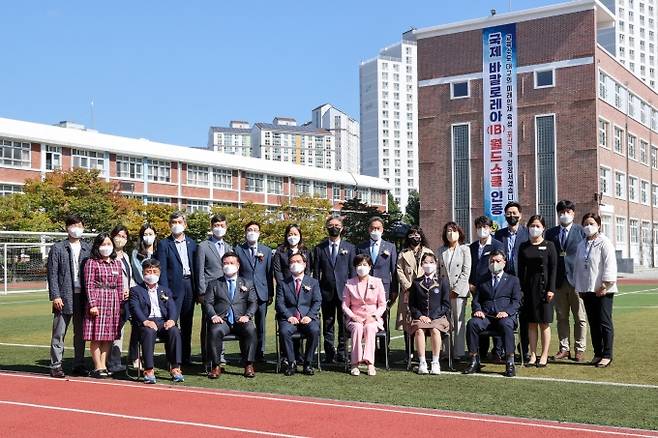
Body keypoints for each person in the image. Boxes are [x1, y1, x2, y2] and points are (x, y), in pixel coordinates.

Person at [463, 250, 521, 378]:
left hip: (505, 316)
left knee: (506, 324)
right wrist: (477, 310)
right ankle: (473, 360)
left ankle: (510, 362)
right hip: (487, 317)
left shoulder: (513, 280)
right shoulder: (483, 280)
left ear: (504, 263)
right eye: (492, 261)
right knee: (472, 323)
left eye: (498, 261)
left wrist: (506, 312)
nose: (494, 264)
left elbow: (517, 301)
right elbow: (476, 300)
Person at [47, 214, 92, 378]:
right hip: (64, 295)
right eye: (72, 225)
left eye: (79, 225)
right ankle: (56, 365)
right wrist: (55, 296)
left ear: (83, 226)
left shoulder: (88, 248)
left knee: (80, 334)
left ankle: (79, 364)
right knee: (59, 332)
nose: (76, 228)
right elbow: (52, 274)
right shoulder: (58, 248)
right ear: (67, 228)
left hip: (83, 297)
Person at [129, 258, 184, 384]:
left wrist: (172, 320)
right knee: (148, 333)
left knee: (174, 331)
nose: (151, 274)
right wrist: (145, 321)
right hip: (146, 322)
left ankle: (175, 367)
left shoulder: (165, 290)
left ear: (159, 273)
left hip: (162, 321)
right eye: (148, 271)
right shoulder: (136, 290)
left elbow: (172, 307)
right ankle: (149, 370)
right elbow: (135, 308)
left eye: (154, 271)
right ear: (143, 273)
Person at [545, 200, 587, 361]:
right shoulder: (551, 233)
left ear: (573, 214)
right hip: (558, 282)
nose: (564, 215)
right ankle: (564, 348)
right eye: (561, 212)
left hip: (577, 281)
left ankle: (579, 349)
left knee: (580, 317)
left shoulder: (581, 231)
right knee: (562, 317)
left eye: (567, 212)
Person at [574, 213, 618, 368]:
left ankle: (607, 354)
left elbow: (610, 265)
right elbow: (578, 268)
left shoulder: (605, 243)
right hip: (587, 290)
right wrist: (579, 287)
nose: (588, 226)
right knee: (593, 323)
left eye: (591, 223)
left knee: (604, 322)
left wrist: (605, 285)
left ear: (599, 225)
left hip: (603, 290)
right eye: (585, 223)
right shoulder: (581, 244)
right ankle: (597, 353)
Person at [205, 252, 258, 378]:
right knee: (214, 331)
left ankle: (248, 364)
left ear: (238, 265)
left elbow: (253, 302)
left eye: (231, 263)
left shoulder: (247, 283)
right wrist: (213, 315)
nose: (228, 266)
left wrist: (248, 315)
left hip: (241, 319)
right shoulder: (214, 283)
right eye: (225, 263)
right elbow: (207, 303)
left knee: (251, 329)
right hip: (222, 320)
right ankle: (216, 366)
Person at [155, 212, 197, 365]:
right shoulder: (164, 244)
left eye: (179, 221)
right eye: (173, 222)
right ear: (169, 224)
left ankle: (185, 357)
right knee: (171, 322)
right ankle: (172, 358)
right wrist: (164, 292)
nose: (176, 224)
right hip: (172, 288)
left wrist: (197, 290)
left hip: (189, 286)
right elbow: (162, 270)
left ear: (185, 224)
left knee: (187, 324)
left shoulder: (192, 243)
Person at [313, 216, 355, 363]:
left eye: (337, 225)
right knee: (328, 323)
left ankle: (343, 352)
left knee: (344, 323)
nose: (334, 227)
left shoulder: (350, 248)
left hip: (345, 292)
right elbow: (316, 273)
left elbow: (352, 272)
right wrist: (317, 293)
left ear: (342, 228)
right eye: (331, 225)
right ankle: (329, 352)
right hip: (326, 292)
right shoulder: (319, 248)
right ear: (326, 227)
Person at [83, 232, 125, 378]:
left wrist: (120, 305)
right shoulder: (92, 263)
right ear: (97, 246)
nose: (106, 247)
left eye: (108, 244)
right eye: (103, 244)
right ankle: (97, 366)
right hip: (98, 300)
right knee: (96, 335)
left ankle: (104, 364)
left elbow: (120, 286)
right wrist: (92, 304)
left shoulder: (117, 263)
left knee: (108, 336)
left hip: (113, 302)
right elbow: (89, 285)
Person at [517, 215, 557, 367]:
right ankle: (533, 355)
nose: (534, 228)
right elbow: (521, 270)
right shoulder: (523, 246)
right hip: (528, 289)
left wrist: (551, 289)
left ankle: (544, 355)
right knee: (531, 323)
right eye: (532, 225)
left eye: (538, 226)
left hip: (545, 289)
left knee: (544, 323)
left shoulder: (549, 245)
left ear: (543, 228)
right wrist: (520, 289)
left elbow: (553, 269)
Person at [276, 252, 322, 376]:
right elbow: (279, 304)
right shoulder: (283, 283)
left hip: (307, 318)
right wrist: (289, 316)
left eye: (298, 261)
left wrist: (309, 316)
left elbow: (317, 301)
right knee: (284, 332)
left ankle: (308, 363)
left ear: (305, 264)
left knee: (314, 331)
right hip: (289, 318)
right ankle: (291, 363)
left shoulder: (313, 282)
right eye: (292, 262)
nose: (295, 264)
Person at [195, 214, 233, 366]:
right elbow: (199, 271)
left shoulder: (229, 247)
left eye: (222, 225)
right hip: (209, 292)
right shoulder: (203, 246)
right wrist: (201, 292)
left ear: (226, 227)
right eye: (216, 225)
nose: (219, 228)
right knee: (208, 324)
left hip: (225, 291)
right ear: (211, 227)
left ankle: (220, 355)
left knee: (222, 322)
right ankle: (207, 357)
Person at [273, 224, 312, 364]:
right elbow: (277, 271)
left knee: (301, 319)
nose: (292, 237)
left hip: (302, 290)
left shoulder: (306, 251)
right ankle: (286, 355)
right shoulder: (280, 251)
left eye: (295, 234)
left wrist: (303, 285)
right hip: (286, 290)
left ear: (300, 235)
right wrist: (285, 286)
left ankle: (299, 354)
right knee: (287, 322)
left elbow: (308, 271)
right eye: (290, 234)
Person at [341, 255, 387, 376]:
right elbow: (345, 305)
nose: (362, 267)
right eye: (359, 265)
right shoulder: (349, 284)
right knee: (357, 328)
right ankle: (355, 363)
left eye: (365, 265)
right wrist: (353, 316)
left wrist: (374, 316)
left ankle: (370, 363)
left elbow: (382, 304)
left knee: (370, 328)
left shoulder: (377, 282)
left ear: (370, 267)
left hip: (372, 318)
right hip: (355, 318)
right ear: (355, 267)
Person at [235, 221, 273, 362]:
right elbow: (236, 272)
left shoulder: (267, 251)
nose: (252, 232)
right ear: (245, 232)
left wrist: (270, 293)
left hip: (262, 292)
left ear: (259, 233)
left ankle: (260, 353)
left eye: (255, 230)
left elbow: (269, 273)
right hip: (244, 293)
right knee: (244, 324)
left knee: (261, 324)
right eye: (249, 229)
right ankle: (245, 353)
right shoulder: (238, 249)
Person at [408, 254, 451, 375]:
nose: (428, 265)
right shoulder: (416, 282)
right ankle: (422, 362)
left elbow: (446, 304)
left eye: (431, 262)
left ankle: (435, 362)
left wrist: (432, 317)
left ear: (436, 264)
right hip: (420, 317)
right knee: (419, 331)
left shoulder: (443, 282)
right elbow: (412, 304)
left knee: (434, 330)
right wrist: (420, 316)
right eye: (425, 262)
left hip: (437, 317)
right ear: (421, 265)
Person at [468, 215, 504, 361]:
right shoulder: (473, 247)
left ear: (490, 228)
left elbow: (499, 265)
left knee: (496, 318)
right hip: (476, 289)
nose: (482, 230)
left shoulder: (496, 245)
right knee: (479, 317)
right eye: (479, 227)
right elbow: (470, 266)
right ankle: (481, 351)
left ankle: (497, 351)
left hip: (492, 288)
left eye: (485, 227)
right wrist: (470, 283)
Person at [395, 226, 434, 359]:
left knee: (422, 320)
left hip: (423, 292)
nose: (415, 237)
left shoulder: (428, 252)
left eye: (417, 234)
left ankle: (420, 351)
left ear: (421, 236)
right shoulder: (403, 253)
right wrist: (408, 287)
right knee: (407, 321)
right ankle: (408, 351)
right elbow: (399, 271)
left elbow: (433, 270)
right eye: (412, 234)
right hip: (407, 291)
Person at [437, 222, 471, 360]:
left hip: (459, 292)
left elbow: (466, 271)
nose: (451, 233)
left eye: (454, 230)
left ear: (459, 232)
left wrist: (456, 289)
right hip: (444, 291)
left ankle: (458, 352)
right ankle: (446, 351)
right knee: (445, 321)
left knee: (458, 321)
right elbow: (437, 271)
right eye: (448, 231)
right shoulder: (440, 250)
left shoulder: (464, 250)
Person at [107, 225, 136, 374]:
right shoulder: (107, 255)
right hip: (111, 299)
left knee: (120, 331)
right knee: (111, 331)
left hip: (126, 299)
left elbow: (128, 277)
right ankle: (109, 362)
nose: (121, 239)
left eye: (124, 236)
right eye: (118, 235)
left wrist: (131, 291)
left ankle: (115, 361)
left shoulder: (125, 255)